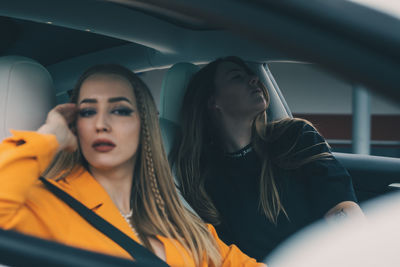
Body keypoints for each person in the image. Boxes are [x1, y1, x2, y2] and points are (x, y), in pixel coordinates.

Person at [0, 64, 265, 267]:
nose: (101, 124)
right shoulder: (47, 205)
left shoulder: (180, 221)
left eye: (120, 110)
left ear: (144, 126)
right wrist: (49, 137)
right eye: (88, 112)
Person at [170, 56, 364, 261]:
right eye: (237, 77)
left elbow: (340, 206)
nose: (254, 79)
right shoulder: (204, 177)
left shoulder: (295, 136)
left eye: (251, 74)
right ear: (213, 101)